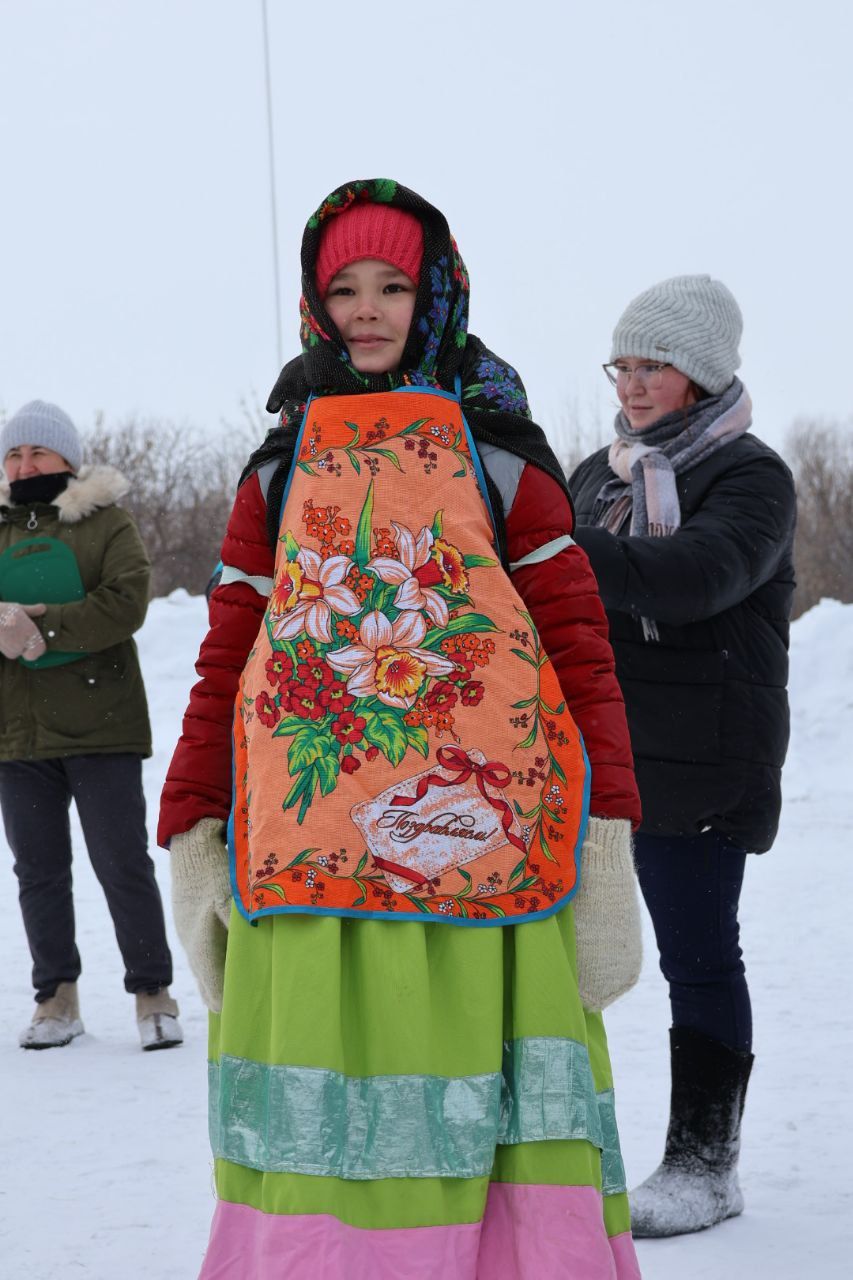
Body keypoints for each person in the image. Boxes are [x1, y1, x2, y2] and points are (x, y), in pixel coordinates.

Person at [161, 179, 644, 1279]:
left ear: (434, 297)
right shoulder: (277, 470)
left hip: (492, 869)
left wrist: (606, 830)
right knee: (317, 1137)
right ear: (314, 305)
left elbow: (578, 650)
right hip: (307, 865)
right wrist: (193, 823)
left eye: (393, 285)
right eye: (344, 289)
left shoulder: (506, 457)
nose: (368, 309)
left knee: (501, 1121)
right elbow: (228, 654)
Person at [569, 276, 796, 1237]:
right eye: (622, 363)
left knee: (696, 958)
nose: (632, 382)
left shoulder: (750, 476)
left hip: (704, 753)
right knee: (562, 958)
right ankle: (553, 1153)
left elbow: (699, 577)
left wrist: (554, 552)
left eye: (652, 364)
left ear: (699, 374)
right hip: (597, 753)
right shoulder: (594, 473)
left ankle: (706, 1164)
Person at [0, 400, 182, 1052]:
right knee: (37, 871)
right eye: (14, 454)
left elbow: (126, 601)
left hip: (101, 725)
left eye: (37, 453)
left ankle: (152, 994)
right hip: (16, 735)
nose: (24, 464)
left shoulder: (106, 523)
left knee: (121, 862)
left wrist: (40, 627)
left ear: (67, 460)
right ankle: (56, 1000)